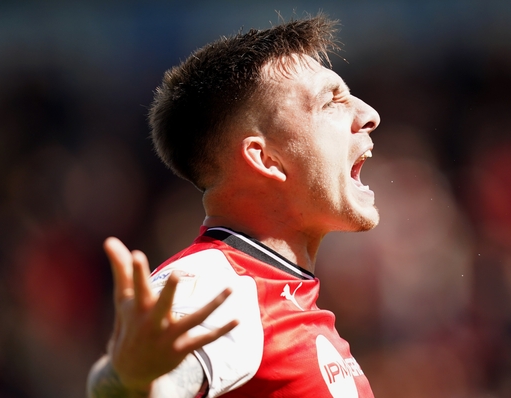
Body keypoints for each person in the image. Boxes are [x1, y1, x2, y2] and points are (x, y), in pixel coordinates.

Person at [87, 14, 380, 398]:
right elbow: (136, 382)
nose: (368, 115)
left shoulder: (279, 290)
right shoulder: (217, 286)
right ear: (265, 158)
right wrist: (129, 381)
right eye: (331, 102)